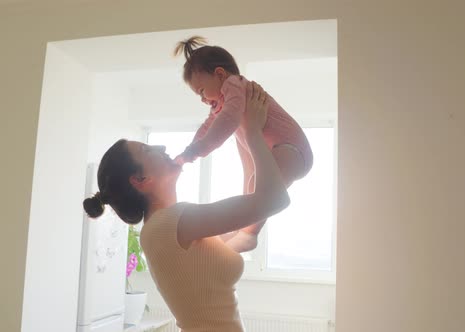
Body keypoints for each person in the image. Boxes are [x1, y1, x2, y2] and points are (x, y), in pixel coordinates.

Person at [83, 83, 289, 332]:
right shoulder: (173, 222)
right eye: (148, 150)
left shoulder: (166, 228)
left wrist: (241, 130)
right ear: (140, 180)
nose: (162, 148)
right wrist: (253, 131)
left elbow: (246, 237)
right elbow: (275, 200)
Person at [173, 36, 313, 252]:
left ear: (220, 74)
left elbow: (226, 122)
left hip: (292, 150)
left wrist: (199, 149)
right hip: (279, 150)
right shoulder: (221, 102)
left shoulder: (235, 85)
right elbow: (208, 126)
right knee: (251, 190)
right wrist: (188, 151)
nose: (202, 99)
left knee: (259, 188)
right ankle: (244, 230)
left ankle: (250, 234)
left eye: (201, 91)